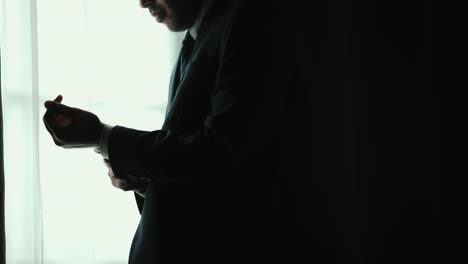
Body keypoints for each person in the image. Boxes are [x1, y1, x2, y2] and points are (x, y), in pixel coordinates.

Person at [44, 0, 309, 263]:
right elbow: (202, 179)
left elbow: (221, 156)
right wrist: (141, 180)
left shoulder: (249, 22)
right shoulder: (196, 38)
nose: (142, 2)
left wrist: (103, 137)